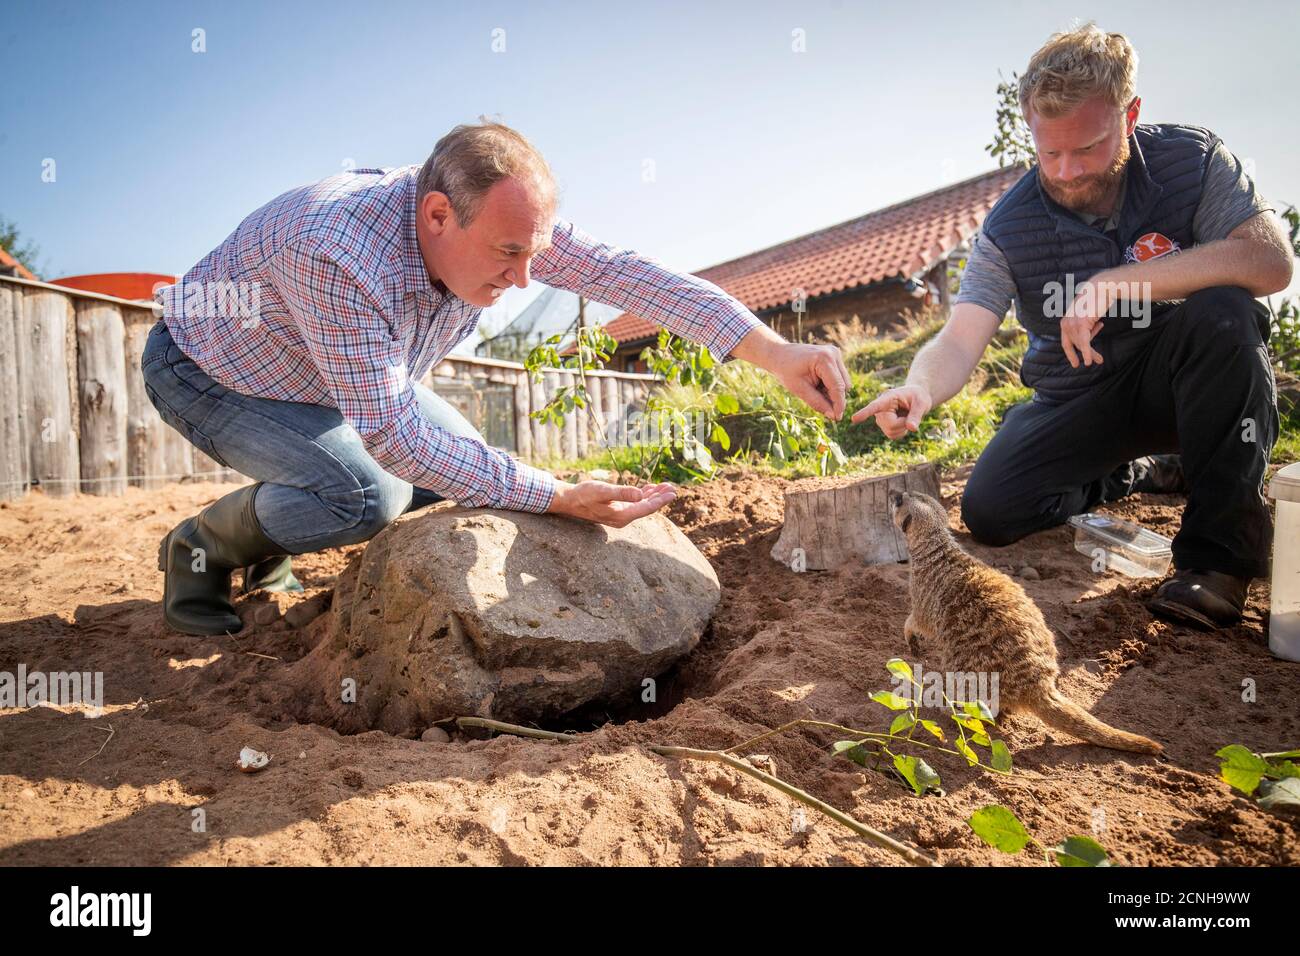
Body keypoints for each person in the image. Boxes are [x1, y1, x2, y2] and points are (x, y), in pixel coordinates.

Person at [145, 120, 850, 636]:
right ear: (437, 215)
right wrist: (559, 495)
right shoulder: (333, 251)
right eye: (509, 255)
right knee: (372, 491)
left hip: (326, 376)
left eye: (536, 255)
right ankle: (200, 550)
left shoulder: (505, 223)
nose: (523, 279)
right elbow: (392, 436)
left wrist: (774, 351)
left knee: (460, 468)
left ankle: (271, 534)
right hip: (211, 370)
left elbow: (634, 278)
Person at [853, 24, 1293, 630]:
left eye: (1086, 148)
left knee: (1227, 307)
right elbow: (959, 337)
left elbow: (1269, 261)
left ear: (1129, 114)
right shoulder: (1008, 228)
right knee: (992, 508)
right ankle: (1141, 470)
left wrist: (1120, 280)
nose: (1064, 171)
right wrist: (921, 388)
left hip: (1188, 378)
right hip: (1081, 394)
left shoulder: (1192, 162)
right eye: (1049, 151)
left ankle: (1217, 563)